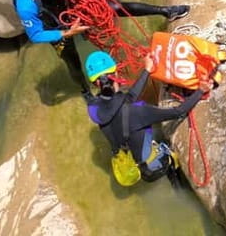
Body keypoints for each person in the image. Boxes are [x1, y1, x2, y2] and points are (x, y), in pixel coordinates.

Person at [12, 0, 190, 91]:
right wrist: (67, 33)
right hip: (56, 26)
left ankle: (166, 11)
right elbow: (35, 35)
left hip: (71, 6)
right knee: (71, 59)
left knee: (116, 7)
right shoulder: (25, 3)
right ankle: (85, 90)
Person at [84, 51, 213, 187]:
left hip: (132, 164)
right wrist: (200, 91)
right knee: (170, 159)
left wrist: (147, 70)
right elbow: (179, 112)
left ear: (96, 83)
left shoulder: (93, 109)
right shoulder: (139, 111)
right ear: (116, 75)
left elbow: (125, 101)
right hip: (153, 168)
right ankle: (177, 185)